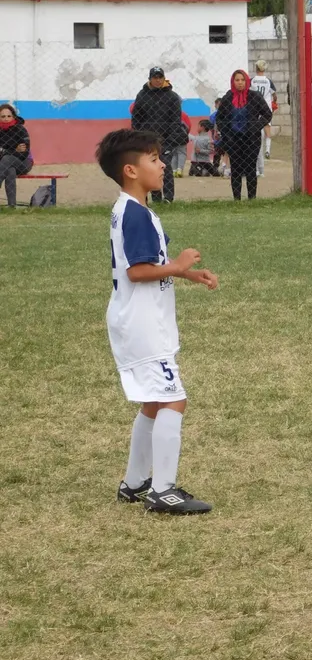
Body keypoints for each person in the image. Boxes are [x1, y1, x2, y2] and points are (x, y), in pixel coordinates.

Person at [98, 128, 218, 514]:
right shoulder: (135, 214)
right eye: (154, 159)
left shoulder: (130, 209)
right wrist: (178, 266)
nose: (163, 164)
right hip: (143, 323)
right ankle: (162, 490)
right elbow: (138, 271)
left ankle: (134, 484)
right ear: (131, 170)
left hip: (134, 320)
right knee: (173, 400)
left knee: (153, 403)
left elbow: (145, 267)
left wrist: (183, 274)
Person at [131, 67, 188, 203]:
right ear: (150, 79)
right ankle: (155, 198)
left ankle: (168, 198)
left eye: (160, 77)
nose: (157, 80)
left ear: (164, 78)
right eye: (154, 77)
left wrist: (170, 141)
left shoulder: (172, 97)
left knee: (166, 168)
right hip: (147, 141)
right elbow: (136, 118)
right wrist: (139, 136)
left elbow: (175, 120)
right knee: (149, 169)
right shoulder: (142, 95)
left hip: (166, 140)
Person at [215, 70, 273, 200]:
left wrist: (256, 126)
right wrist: (226, 132)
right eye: (237, 80)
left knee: (250, 168)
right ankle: (237, 199)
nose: (240, 83)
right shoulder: (228, 97)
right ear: (233, 82)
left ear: (247, 81)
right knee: (235, 168)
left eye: (242, 80)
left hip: (251, 139)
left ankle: (252, 198)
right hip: (233, 139)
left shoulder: (254, 96)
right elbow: (220, 118)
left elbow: (267, 114)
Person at [0, 103, 32, 208]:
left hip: (24, 163)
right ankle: (12, 206)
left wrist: (4, 151)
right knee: (10, 169)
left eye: (9, 116)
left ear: (13, 116)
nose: (6, 119)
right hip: (5, 165)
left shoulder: (21, 130)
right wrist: (15, 150)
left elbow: (23, 154)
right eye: (3, 116)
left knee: (7, 158)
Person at [250, 60, 277, 168]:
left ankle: (256, 151)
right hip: (266, 108)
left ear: (256, 68)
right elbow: (274, 94)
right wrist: (274, 101)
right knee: (267, 129)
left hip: (255, 108)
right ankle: (268, 150)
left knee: (255, 131)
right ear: (264, 69)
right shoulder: (268, 81)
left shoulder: (252, 80)